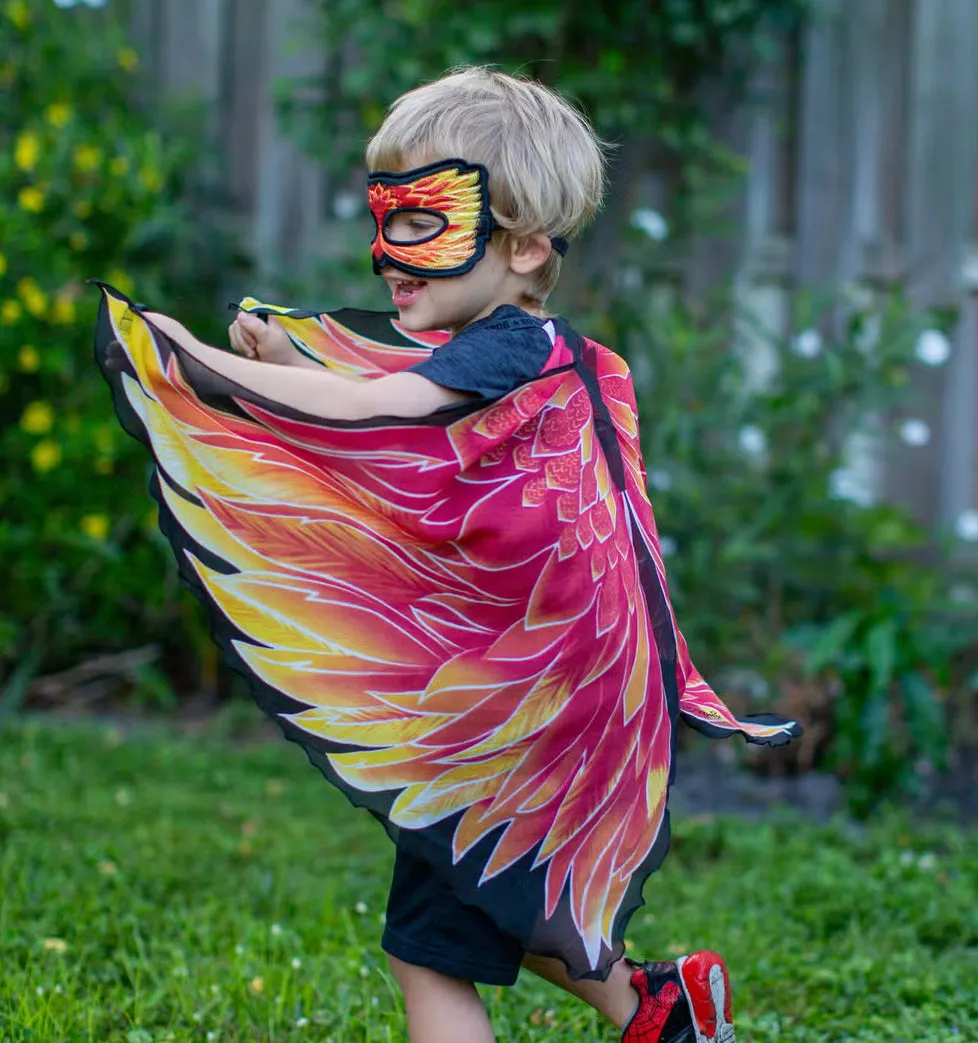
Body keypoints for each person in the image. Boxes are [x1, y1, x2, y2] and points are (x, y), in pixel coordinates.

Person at [96, 66, 799, 1043]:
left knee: (427, 947)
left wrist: (197, 368)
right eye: (383, 215)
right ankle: (658, 1005)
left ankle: (657, 1005)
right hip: (534, 696)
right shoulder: (501, 353)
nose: (387, 252)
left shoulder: (509, 347)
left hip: (528, 708)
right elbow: (409, 443)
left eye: (421, 220)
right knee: (487, 886)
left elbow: (383, 409)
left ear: (517, 246)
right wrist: (293, 367)